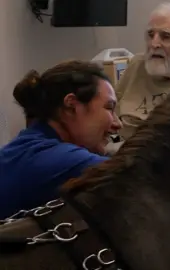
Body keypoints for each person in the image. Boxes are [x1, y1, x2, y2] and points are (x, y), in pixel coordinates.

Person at [0, 60, 122, 219]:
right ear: (72, 106)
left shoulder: (27, 148)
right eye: (109, 108)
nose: (117, 123)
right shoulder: (59, 160)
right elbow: (138, 178)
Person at [109, 2, 170, 151]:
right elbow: (110, 114)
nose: (154, 44)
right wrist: (113, 143)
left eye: (166, 37)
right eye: (151, 35)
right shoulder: (137, 65)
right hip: (115, 150)